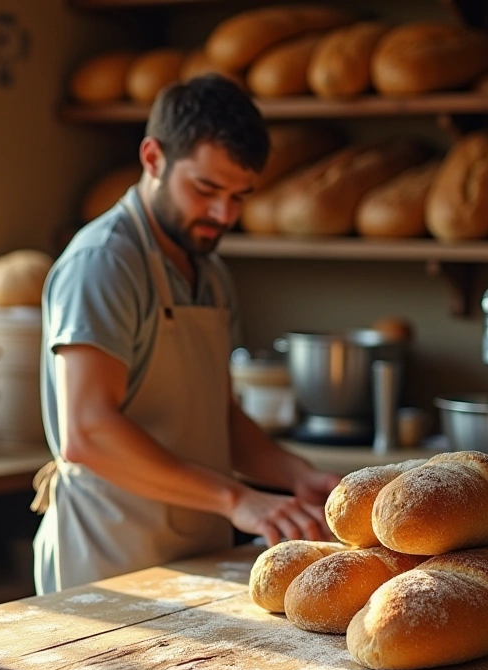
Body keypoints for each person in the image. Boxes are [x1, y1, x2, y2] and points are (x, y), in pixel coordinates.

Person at [31, 74, 342, 595]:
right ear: (153, 158)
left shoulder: (209, 270)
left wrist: (293, 474)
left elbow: (215, 415)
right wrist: (237, 499)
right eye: (206, 189)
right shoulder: (105, 262)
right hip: (109, 562)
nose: (223, 215)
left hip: (198, 553)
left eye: (240, 196)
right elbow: (87, 433)